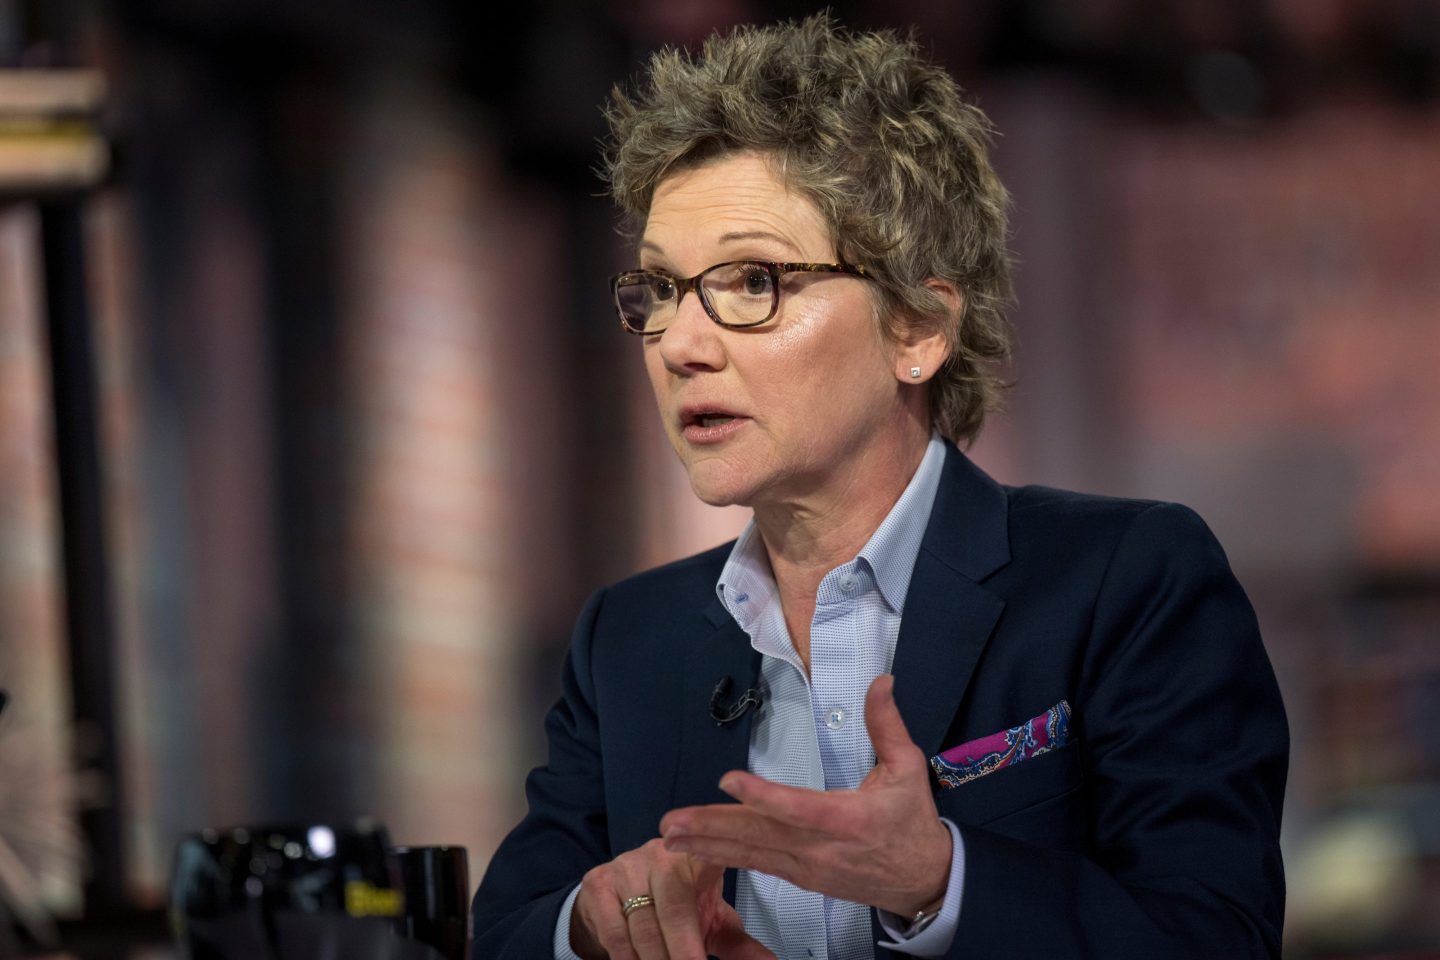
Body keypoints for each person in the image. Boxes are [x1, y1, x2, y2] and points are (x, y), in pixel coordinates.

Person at [471, 15, 1287, 960]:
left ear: (918, 330)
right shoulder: (627, 640)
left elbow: (1212, 938)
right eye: (661, 290)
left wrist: (940, 881)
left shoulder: (1125, 580)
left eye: (751, 281)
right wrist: (598, 921)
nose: (683, 346)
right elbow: (508, 934)